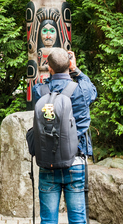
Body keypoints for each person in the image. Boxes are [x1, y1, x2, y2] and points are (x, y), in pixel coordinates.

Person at [31, 48, 97, 224]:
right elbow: (92, 91)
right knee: (77, 220)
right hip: (75, 161)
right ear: (70, 64)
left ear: (49, 69)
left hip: (48, 161)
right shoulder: (82, 90)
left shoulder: (40, 91)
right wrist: (76, 70)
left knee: (48, 220)